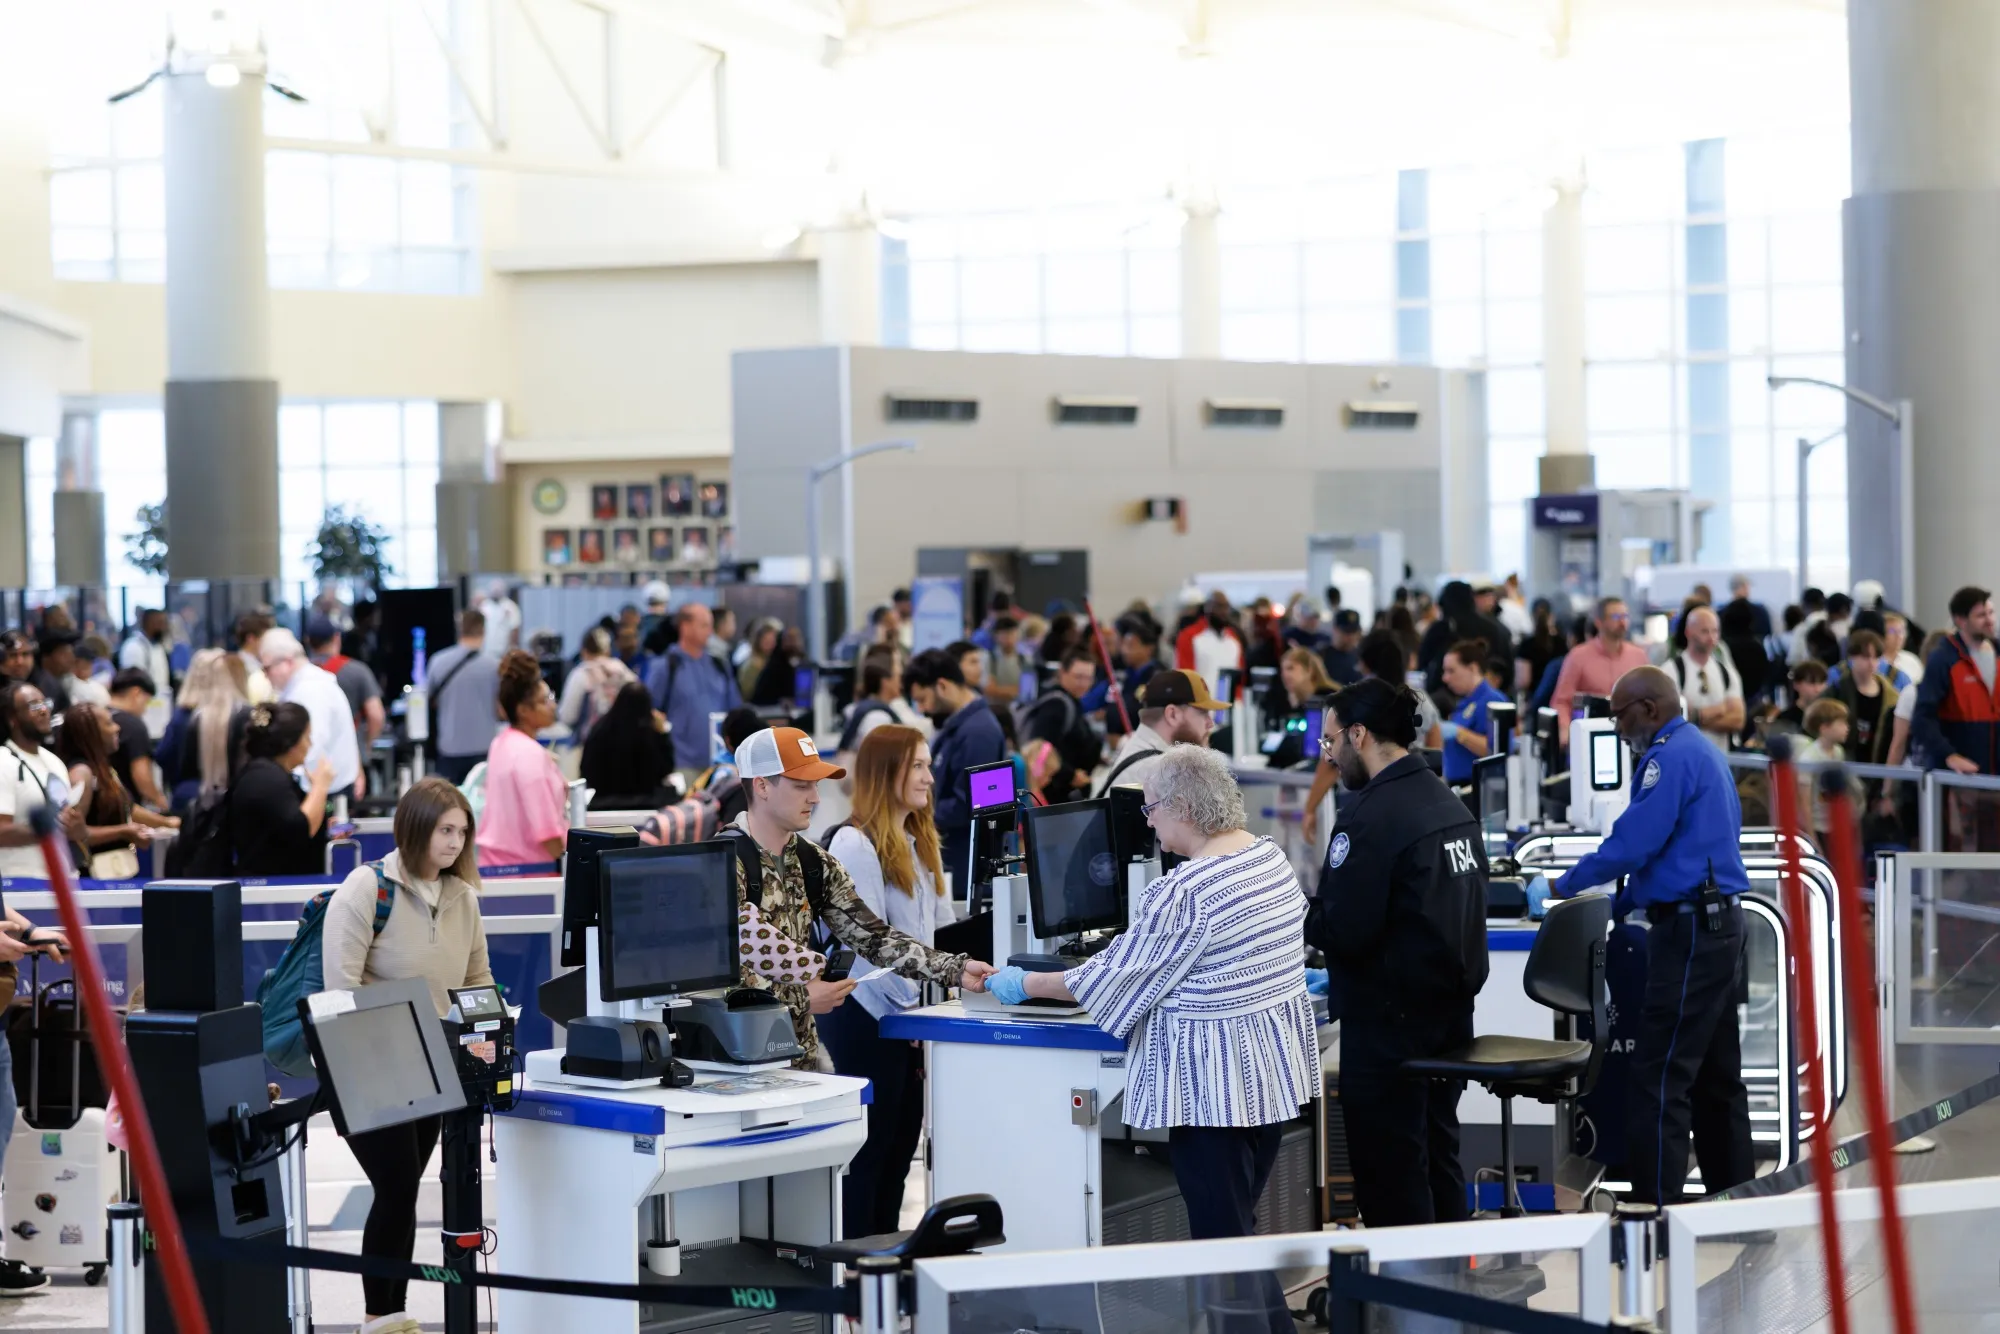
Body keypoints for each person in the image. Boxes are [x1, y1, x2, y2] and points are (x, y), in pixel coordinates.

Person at [988, 745, 1317, 1330]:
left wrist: (1024, 981)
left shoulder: (1188, 890)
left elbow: (1112, 977)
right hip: (1267, 1087)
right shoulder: (1269, 859)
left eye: (1152, 808)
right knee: (1239, 1239)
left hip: (1213, 1097)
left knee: (1224, 1251)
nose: (1148, 820)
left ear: (1184, 806)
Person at [1535, 666, 1753, 1206]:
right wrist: (1620, 902)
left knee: (1660, 1076)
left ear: (1650, 709)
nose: (1616, 726)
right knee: (1716, 1077)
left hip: (1691, 933)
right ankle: (1738, 1204)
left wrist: (1564, 884)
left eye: (1620, 714)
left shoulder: (1667, 759)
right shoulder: (1699, 750)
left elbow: (1633, 844)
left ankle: (1654, 1212)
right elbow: (1677, 850)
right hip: (1719, 924)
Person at [1305, 677, 1487, 1227]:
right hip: (1449, 1023)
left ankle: (1407, 1309)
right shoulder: (1446, 802)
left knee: (1391, 1178)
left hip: (1388, 1034)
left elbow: (1343, 929)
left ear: (1358, 735)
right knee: (1438, 1160)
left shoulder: (1370, 818)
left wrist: (1301, 912)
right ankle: (1451, 1293)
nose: (1330, 755)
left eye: (1330, 740)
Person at [325, 778, 493, 1334]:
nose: (454, 842)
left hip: (434, 1065)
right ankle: (379, 1317)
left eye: (462, 831)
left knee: (402, 1194)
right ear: (416, 827)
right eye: (445, 829)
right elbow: (337, 991)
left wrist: (485, 1024)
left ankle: (391, 1316)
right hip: (368, 1067)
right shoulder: (364, 889)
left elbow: (476, 978)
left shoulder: (463, 897)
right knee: (396, 1188)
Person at [728, 726, 995, 1069]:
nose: (815, 797)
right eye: (801, 786)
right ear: (762, 786)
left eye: (816, 785)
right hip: (738, 1068)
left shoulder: (813, 862)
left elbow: (873, 936)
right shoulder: (722, 864)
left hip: (800, 1063)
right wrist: (800, 997)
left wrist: (956, 969)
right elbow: (712, 984)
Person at [821, 725, 950, 1236]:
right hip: (867, 1019)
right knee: (869, 1159)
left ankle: (884, 1270)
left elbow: (934, 931)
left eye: (927, 765)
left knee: (899, 1156)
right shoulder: (856, 844)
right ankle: (855, 1283)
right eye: (917, 766)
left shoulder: (918, 841)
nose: (929, 777)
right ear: (886, 772)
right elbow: (872, 945)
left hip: (905, 1021)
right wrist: (915, 1013)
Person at [1300, 632, 1445, 846]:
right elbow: (1435, 751)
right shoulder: (1417, 700)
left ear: (1367, 664)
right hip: (1415, 799)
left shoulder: (1356, 705)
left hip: (1361, 798)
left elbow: (1331, 761)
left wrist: (1310, 808)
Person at [907, 647, 1005, 887]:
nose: (922, 709)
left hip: (966, 871)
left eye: (923, 699)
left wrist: (916, 811)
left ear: (942, 686)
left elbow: (974, 807)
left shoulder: (979, 733)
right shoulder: (956, 728)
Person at [57, 703, 175, 878]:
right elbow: (73, 833)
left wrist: (165, 822)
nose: (117, 727)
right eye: (109, 723)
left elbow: (126, 807)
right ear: (92, 734)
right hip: (94, 878)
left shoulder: (104, 769)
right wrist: (123, 832)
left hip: (118, 872)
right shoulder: (82, 774)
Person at [476, 651, 568, 866]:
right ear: (524, 710)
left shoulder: (501, 743)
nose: (553, 705)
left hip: (497, 869)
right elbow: (548, 835)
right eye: (545, 700)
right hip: (529, 873)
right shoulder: (529, 755)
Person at [229, 702, 336, 877]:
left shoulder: (270, 775)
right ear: (292, 745)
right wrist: (320, 786)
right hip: (271, 890)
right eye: (307, 737)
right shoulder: (266, 779)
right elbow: (301, 828)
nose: (310, 744)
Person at [258, 627, 362, 803]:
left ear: (287, 662)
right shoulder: (305, 685)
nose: (266, 676)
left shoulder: (310, 690)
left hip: (323, 794)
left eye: (267, 669)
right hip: (320, 789)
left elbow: (310, 747)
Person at [645, 604, 743, 779]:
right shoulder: (665, 667)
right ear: (685, 626)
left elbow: (735, 709)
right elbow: (649, 711)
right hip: (681, 765)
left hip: (720, 764)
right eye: (704, 625)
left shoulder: (719, 665)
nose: (710, 631)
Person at [1912, 585, 2000, 775]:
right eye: (1981, 615)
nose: (1990, 620)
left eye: (1991, 613)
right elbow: (1923, 717)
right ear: (1960, 620)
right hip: (1961, 776)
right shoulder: (1944, 659)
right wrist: (1949, 755)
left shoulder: (1997, 654)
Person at [1097, 668, 1223, 795]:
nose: (1210, 723)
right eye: (1202, 713)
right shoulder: (1160, 771)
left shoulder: (1142, 748)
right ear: (1172, 714)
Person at [1550, 597, 1651, 745]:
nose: (1622, 622)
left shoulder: (1638, 656)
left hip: (1632, 739)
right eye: (1616, 617)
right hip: (1591, 738)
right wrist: (1565, 729)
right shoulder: (1578, 656)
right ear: (1599, 622)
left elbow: (1650, 697)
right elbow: (1561, 701)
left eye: (1625, 616)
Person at [157, 648, 248, 811]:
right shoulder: (235, 715)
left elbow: (163, 754)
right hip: (224, 799)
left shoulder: (181, 716)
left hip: (186, 799)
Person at [423, 610, 502, 785]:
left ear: (460, 629)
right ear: (483, 630)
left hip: (450, 747)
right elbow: (501, 709)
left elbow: (429, 701)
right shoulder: (494, 666)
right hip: (484, 747)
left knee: (449, 806)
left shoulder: (438, 662)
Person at [1019, 649, 1101, 804]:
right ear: (1062, 672)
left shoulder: (1072, 701)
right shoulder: (1056, 705)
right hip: (1053, 797)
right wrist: (1071, 775)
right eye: (1078, 677)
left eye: (1088, 678)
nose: (1083, 684)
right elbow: (1041, 751)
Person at [580, 682, 673, 810]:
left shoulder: (600, 730)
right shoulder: (652, 732)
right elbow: (667, 769)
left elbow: (587, 771)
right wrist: (663, 733)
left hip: (604, 805)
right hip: (649, 803)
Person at [1666, 607, 1745, 752]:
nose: (1711, 638)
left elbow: (1738, 719)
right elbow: (1671, 720)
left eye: (1715, 631)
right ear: (1688, 632)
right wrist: (1720, 709)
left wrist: (1695, 717)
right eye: (1704, 631)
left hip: (1720, 759)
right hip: (1684, 758)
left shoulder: (1726, 672)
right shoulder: (1670, 671)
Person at [306, 616, 387, 756]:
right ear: (337, 638)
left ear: (308, 641)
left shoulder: (301, 674)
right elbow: (376, 715)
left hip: (312, 755)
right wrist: (366, 744)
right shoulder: (357, 671)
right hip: (352, 755)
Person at [1439, 639, 1506, 785]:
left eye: (1451, 671)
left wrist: (1460, 734)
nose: (1445, 678)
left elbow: (1498, 749)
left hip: (1479, 786)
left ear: (1472, 668)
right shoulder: (1466, 702)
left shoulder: (1493, 701)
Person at [1828, 629, 1898, 764]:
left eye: (1876, 657)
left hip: (1879, 763)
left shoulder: (1892, 696)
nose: (1871, 663)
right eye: (1865, 657)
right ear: (1852, 657)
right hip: (1845, 762)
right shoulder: (1837, 690)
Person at [559, 626, 637, 743]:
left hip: (591, 745)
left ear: (583, 651)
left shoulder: (581, 673)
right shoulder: (623, 671)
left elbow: (568, 716)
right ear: (608, 650)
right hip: (625, 744)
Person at [105, 668, 169, 811]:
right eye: (146, 702)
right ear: (136, 693)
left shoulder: (100, 716)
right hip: (127, 809)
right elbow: (142, 775)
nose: (145, 710)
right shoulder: (133, 726)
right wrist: (160, 802)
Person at [1263, 648, 1335, 769]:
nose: (1285, 675)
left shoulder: (1329, 699)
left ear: (1309, 670)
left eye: (1291, 668)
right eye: (1283, 670)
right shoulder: (1285, 701)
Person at [834, 658, 904, 773]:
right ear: (885, 681)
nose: (901, 683)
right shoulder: (878, 717)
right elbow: (877, 766)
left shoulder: (857, 708)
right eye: (897, 677)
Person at [1175, 591, 1245, 702]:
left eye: (1226, 607)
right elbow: (1185, 678)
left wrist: (1238, 704)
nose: (1223, 612)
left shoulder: (1234, 640)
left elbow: (1238, 680)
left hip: (1228, 708)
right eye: (1218, 606)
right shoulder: (1189, 637)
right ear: (1207, 608)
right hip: (1200, 707)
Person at [118, 609, 174, 733]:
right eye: (160, 622)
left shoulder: (158, 646)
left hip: (160, 709)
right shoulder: (134, 647)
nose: (164, 626)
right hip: (143, 712)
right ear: (148, 623)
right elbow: (132, 684)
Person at [982, 616, 1032, 708]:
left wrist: (1000, 690)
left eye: (1012, 633)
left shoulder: (1024, 658)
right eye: (1005, 634)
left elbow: (1027, 690)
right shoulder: (989, 658)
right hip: (996, 709)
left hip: (1019, 709)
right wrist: (1016, 690)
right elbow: (989, 690)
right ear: (996, 636)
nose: (1009, 638)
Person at [29, 628, 76, 715]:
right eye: (64, 654)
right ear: (45, 658)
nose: (71, 659)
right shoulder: (41, 686)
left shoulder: (62, 681)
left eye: (71, 653)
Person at [736, 619, 781, 699]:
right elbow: (747, 693)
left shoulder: (779, 663)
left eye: (772, 641)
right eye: (766, 641)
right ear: (758, 640)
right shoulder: (750, 665)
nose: (770, 645)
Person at [1319, 609, 1364, 687]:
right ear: (1335, 630)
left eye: (1354, 631)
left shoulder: (1361, 656)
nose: (1351, 637)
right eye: (1346, 632)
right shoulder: (1321, 657)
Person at [477, 579, 522, 656]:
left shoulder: (510, 606)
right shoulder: (484, 606)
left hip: (504, 650)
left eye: (497, 590)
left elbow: (515, 628)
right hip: (486, 649)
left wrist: (513, 647)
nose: (495, 592)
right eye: (494, 590)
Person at [1724, 575, 1773, 641]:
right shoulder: (1760, 611)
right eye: (1747, 586)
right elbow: (1768, 636)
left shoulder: (1722, 612)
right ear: (1744, 587)